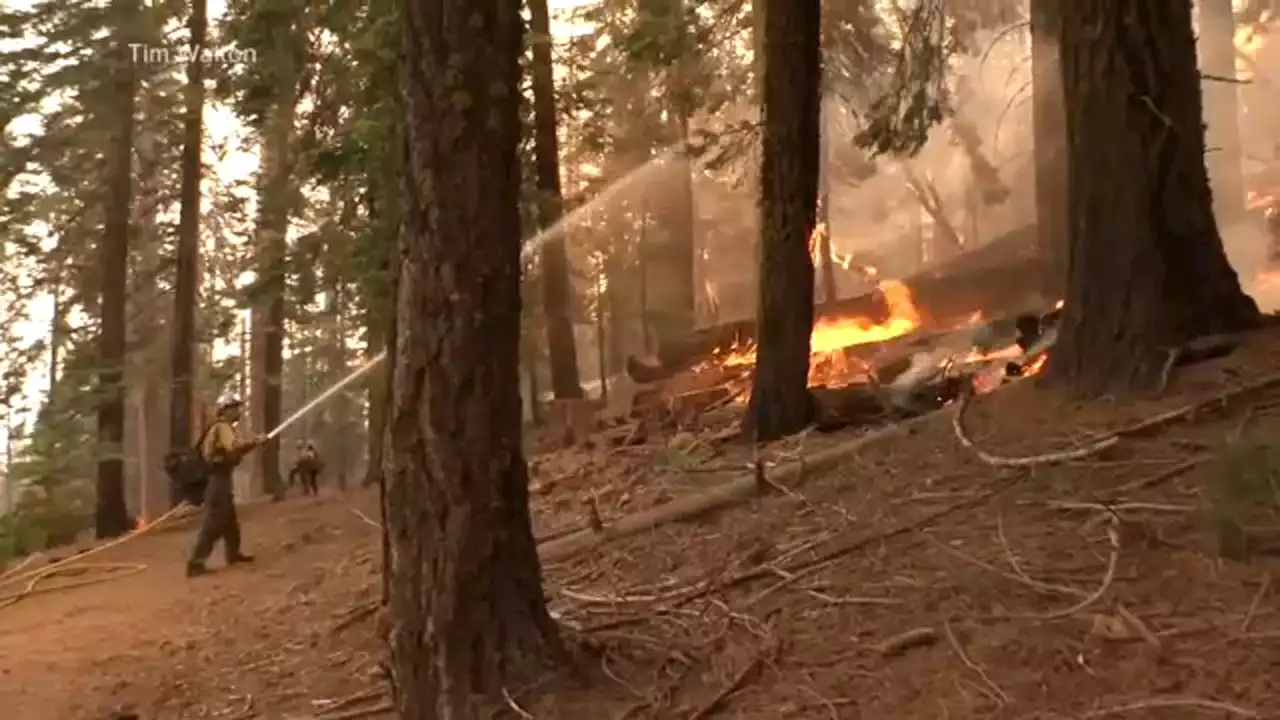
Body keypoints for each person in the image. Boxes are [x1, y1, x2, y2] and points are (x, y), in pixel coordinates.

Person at [186, 397, 267, 578]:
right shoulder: (222, 427)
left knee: (229, 520)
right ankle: (195, 563)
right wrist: (255, 441)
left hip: (220, 479)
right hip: (217, 481)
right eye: (236, 408)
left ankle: (233, 554)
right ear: (226, 410)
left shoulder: (220, 427)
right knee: (214, 522)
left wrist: (255, 443)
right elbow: (233, 447)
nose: (239, 411)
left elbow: (234, 451)